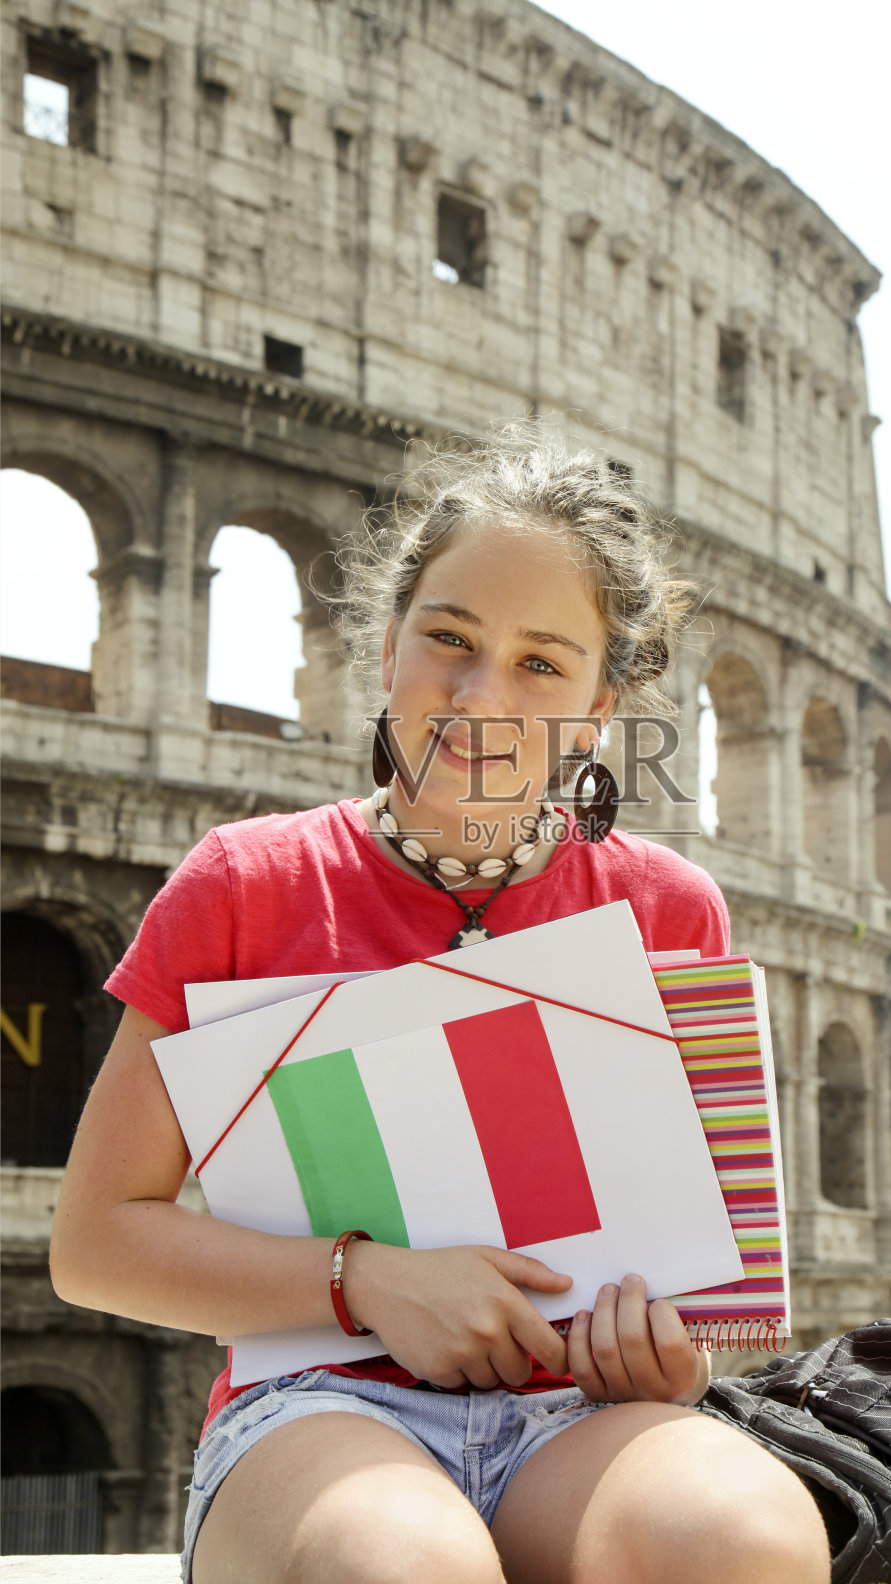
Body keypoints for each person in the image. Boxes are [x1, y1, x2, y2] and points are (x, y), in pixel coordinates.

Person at [51, 431, 830, 1584]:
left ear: (598, 707)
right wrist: (360, 1279)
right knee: (401, 1562)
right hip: (316, 1404)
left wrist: (674, 1362)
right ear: (384, 644)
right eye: (449, 639)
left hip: (575, 1416)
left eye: (540, 664)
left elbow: (702, 1292)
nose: (480, 697)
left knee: (741, 1539)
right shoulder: (243, 882)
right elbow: (95, 1241)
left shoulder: (668, 908)